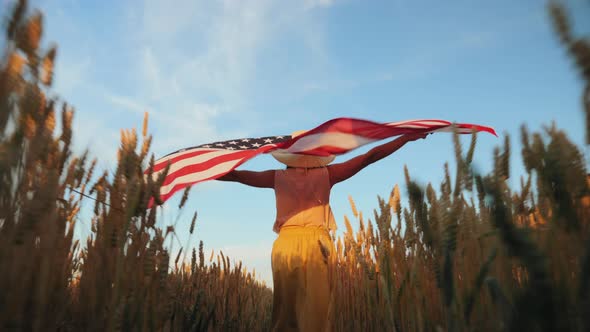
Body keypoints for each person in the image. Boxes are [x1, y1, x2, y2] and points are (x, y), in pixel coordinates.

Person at [217, 131, 428, 331]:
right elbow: (368, 158)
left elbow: (236, 176)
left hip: (285, 244)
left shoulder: (275, 177)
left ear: (288, 155)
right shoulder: (328, 174)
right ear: (317, 153)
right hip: (318, 244)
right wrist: (405, 139)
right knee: (319, 308)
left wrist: (197, 172)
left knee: (285, 311)